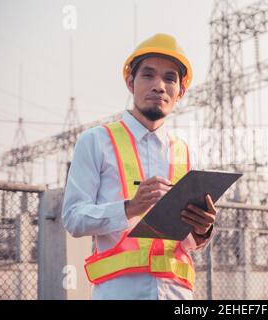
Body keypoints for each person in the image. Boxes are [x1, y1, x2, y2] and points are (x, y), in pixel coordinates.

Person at [62, 33, 216, 300]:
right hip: (119, 293)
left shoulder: (186, 153)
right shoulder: (96, 141)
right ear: (131, 83)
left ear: (180, 92)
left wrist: (201, 230)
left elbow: (187, 243)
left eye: (170, 78)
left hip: (177, 294)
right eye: (148, 75)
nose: (159, 86)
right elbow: (74, 218)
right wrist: (130, 208)